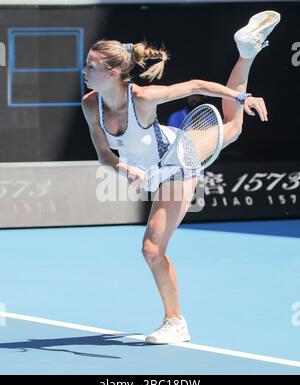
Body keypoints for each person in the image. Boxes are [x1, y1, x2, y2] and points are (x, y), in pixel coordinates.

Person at [81, 10, 280, 345]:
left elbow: (196, 85)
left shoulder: (142, 98)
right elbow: (104, 154)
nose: (84, 70)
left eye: (90, 66)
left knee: (151, 249)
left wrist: (241, 98)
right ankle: (247, 52)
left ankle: (175, 322)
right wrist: (124, 168)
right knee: (232, 128)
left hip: (178, 160)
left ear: (113, 73)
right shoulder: (91, 106)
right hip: (158, 161)